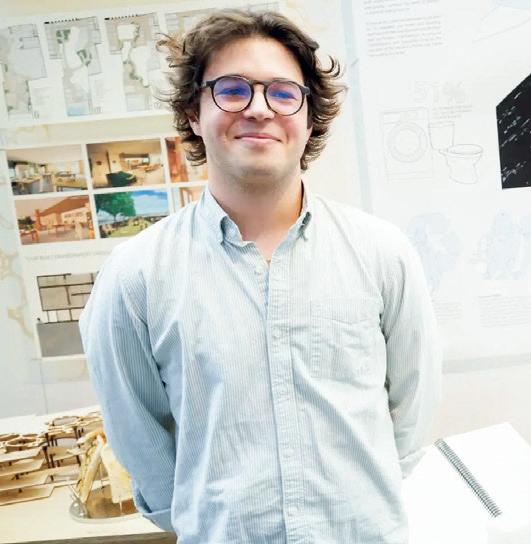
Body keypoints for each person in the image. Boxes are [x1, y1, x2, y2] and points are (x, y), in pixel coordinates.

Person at [79, 10, 441, 544]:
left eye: (283, 93)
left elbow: (412, 411)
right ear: (194, 113)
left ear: (310, 118)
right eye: (232, 90)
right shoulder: (136, 275)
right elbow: (139, 436)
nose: (258, 108)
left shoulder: (382, 253)